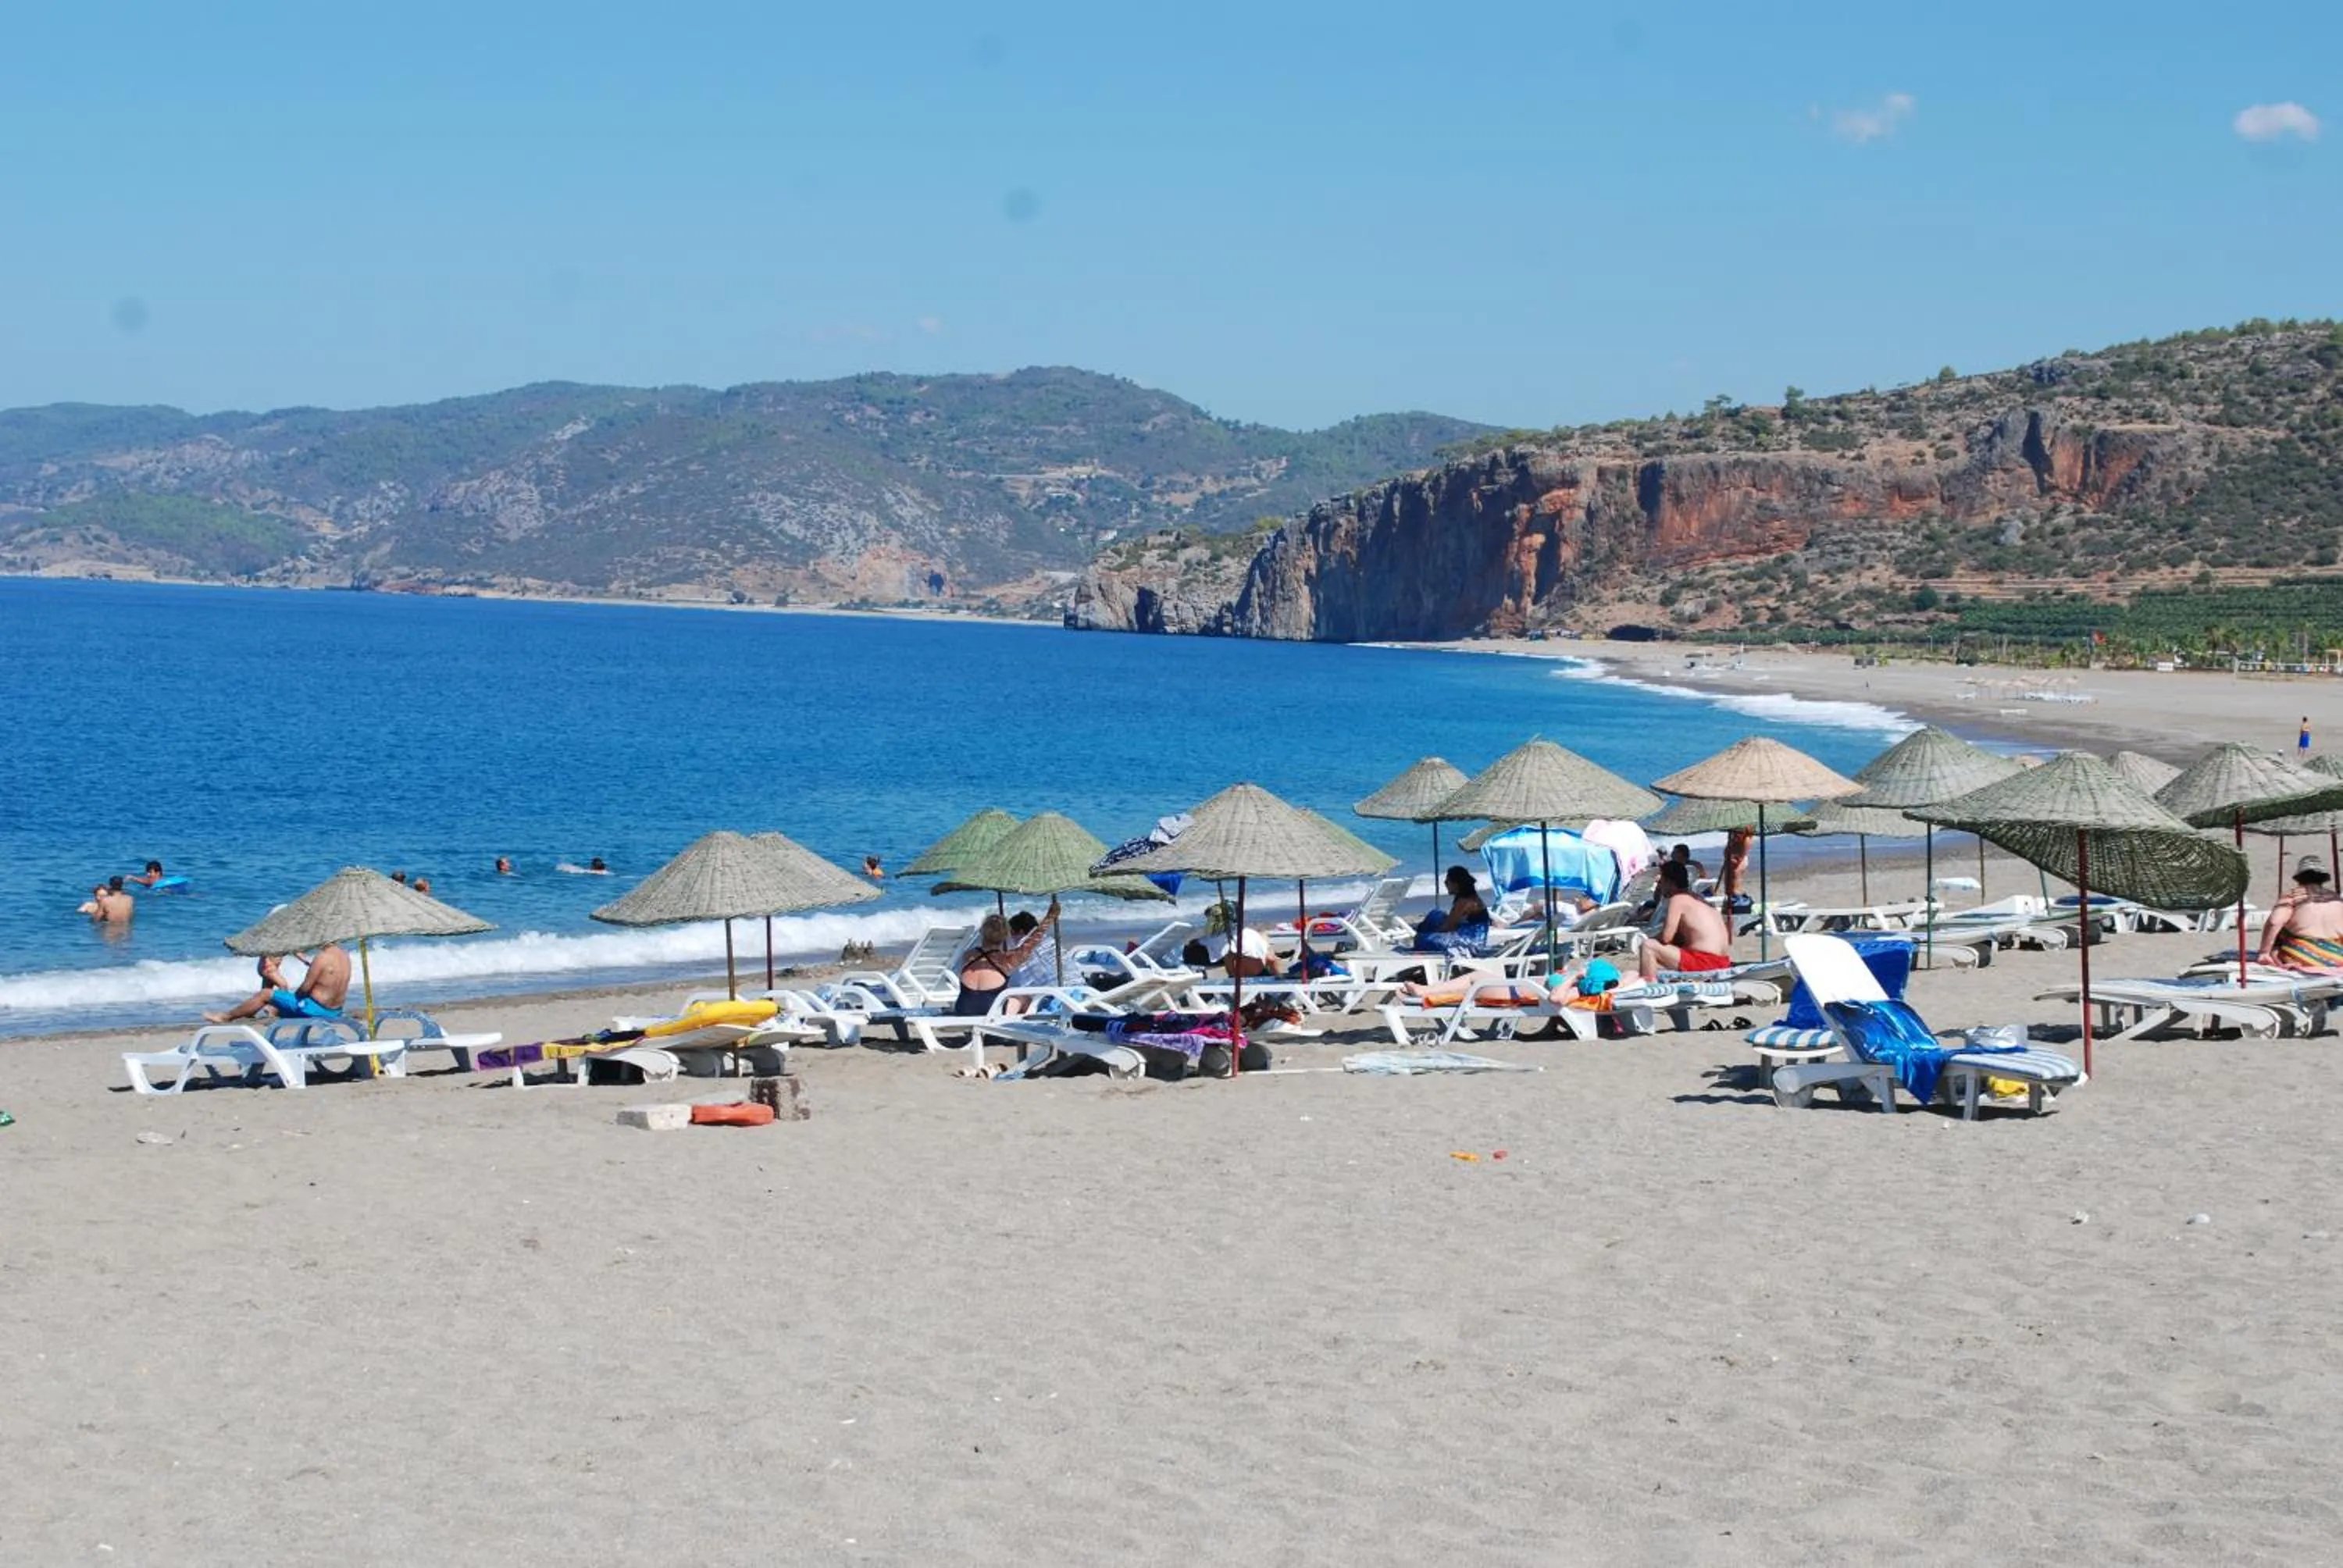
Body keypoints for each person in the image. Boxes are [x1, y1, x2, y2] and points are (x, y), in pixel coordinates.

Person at [952, 900, 1059, 1015]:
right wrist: (1050, 917)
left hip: (963, 1009)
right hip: (991, 1012)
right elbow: (1032, 942)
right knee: (1024, 999)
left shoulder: (968, 955)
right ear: (1006, 935)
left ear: (982, 932)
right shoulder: (1007, 960)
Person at [205, 943, 353, 1024]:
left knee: (265, 994)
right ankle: (266, 1011)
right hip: (335, 1011)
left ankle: (226, 1017)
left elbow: (305, 989)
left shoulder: (322, 958)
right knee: (280, 999)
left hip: (314, 1010)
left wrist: (296, 997)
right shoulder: (345, 956)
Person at [1639, 860, 1732, 978]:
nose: (1659, 887)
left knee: (1648, 946)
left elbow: (1666, 938)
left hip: (1706, 962)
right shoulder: (1699, 899)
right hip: (1723, 962)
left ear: (1670, 882)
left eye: (1661, 882)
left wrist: (1650, 938)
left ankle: (1649, 988)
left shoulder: (1678, 900)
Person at [2259, 855, 2343, 970]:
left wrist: (2264, 952)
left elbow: (2275, 922)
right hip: (2337, 955)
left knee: (2281, 937)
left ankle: (2280, 963)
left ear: (2299, 878)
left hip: (2302, 954)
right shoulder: (2335, 898)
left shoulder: (2293, 896)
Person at [1410, 866, 1492, 955]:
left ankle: (1422, 934)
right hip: (1466, 933)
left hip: (1471, 942)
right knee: (1435, 915)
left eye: (1447, 882)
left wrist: (1431, 934)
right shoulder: (1469, 897)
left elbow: (1448, 927)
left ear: (1456, 884)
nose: (1445, 884)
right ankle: (1423, 932)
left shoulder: (1464, 902)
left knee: (1421, 939)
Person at [1720, 829, 1753, 904]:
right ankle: (1733, 898)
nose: (1737, 834)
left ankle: (1736, 899)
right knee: (1731, 882)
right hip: (1735, 864)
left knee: (1734, 881)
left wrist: (1729, 856)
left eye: (1739, 832)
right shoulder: (1736, 840)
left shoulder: (1745, 840)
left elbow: (1738, 858)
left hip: (1738, 864)